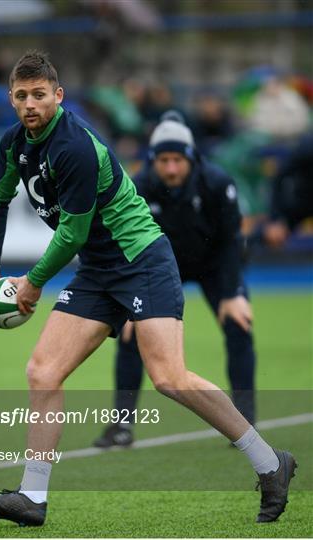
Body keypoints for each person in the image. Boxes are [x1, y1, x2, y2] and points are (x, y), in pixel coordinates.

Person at [0, 51, 297, 528]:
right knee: (43, 371)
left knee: (169, 377)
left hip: (142, 260)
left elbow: (73, 234)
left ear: (58, 96)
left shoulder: (74, 147)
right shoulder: (14, 142)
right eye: (21, 96)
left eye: (40, 94)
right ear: (12, 100)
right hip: (100, 269)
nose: (30, 104)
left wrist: (32, 284)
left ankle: (270, 464)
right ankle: (32, 498)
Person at [94, 111, 257, 450]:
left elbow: (230, 241)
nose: (170, 168)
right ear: (153, 160)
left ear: (191, 158)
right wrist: (128, 301)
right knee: (131, 334)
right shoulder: (138, 186)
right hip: (162, 268)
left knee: (239, 324)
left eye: (177, 160)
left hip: (215, 264)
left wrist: (232, 292)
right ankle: (121, 426)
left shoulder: (217, 182)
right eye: (163, 160)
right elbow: (124, 244)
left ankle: (245, 422)